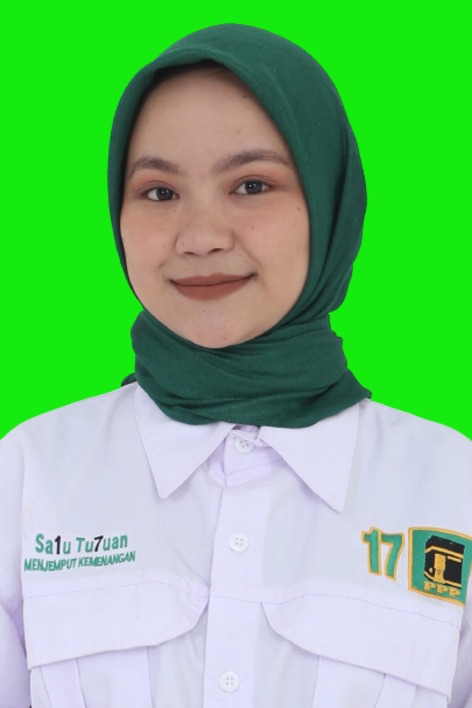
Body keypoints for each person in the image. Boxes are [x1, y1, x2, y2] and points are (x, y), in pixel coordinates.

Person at [0, 23, 471, 708]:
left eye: (252, 185)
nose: (200, 238)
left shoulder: (451, 487)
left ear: (330, 202)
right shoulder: (27, 475)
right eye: (159, 192)